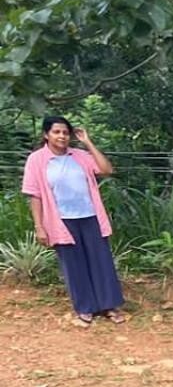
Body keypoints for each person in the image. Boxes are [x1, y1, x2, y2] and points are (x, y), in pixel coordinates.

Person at [21, 115, 126, 327]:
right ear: (46, 135)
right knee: (73, 265)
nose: (62, 136)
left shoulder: (80, 155)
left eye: (65, 133)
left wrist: (88, 142)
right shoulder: (37, 160)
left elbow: (106, 170)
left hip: (90, 217)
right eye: (56, 132)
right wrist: (39, 226)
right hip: (61, 221)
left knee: (101, 261)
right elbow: (35, 195)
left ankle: (109, 306)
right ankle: (85, 308)